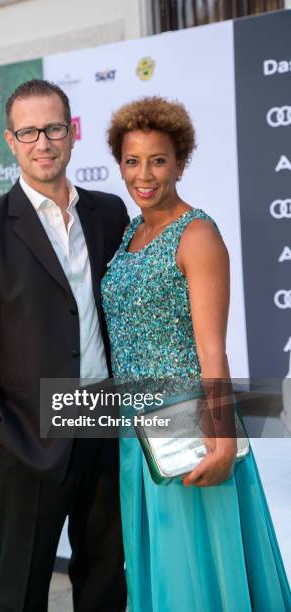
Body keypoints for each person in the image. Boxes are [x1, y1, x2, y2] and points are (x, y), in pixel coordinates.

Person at [101, 96, 291, 611]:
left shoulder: (198, 234)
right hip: (133, 430)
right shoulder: (130, 234)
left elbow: (213, 349)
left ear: (180, 162)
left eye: (158, 160)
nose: (144, 174)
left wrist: (223, 441)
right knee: (156, 566)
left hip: (187, 426)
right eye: (132, 160)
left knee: (196, 570)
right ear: (119, 163)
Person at [0, 79, 128, 612]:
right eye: (29, 131)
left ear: (72, 134)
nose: (42, 142)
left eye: (53, 128)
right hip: (28, 435)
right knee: (22, 587)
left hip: (101, 418)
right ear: (10, 140)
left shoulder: (108, 213)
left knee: (104, 578)